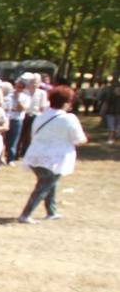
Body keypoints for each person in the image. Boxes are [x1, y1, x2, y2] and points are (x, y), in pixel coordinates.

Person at [17, 85, 88, 223]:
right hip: (55, 157)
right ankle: (25, 214)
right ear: (66, 103)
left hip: (35, 155)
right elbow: (78, 139)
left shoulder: (41, 116)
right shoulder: (69, 118)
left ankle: (51, 211)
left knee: (50, 183)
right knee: (45, 185)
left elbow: (33, 134)